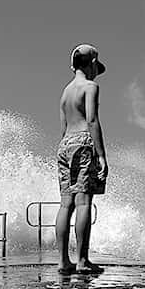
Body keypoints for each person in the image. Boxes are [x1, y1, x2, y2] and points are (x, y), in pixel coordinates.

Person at [55, 43, 108, 274]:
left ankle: (62, 261)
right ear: (93, 64)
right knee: (84, 202)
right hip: (83, 141)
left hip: (65, 144)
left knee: (65, 203)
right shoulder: (90, 87)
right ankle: (82, 260)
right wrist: (102, 154)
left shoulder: (65, 92)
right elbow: (92, 120)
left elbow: (63, 126)